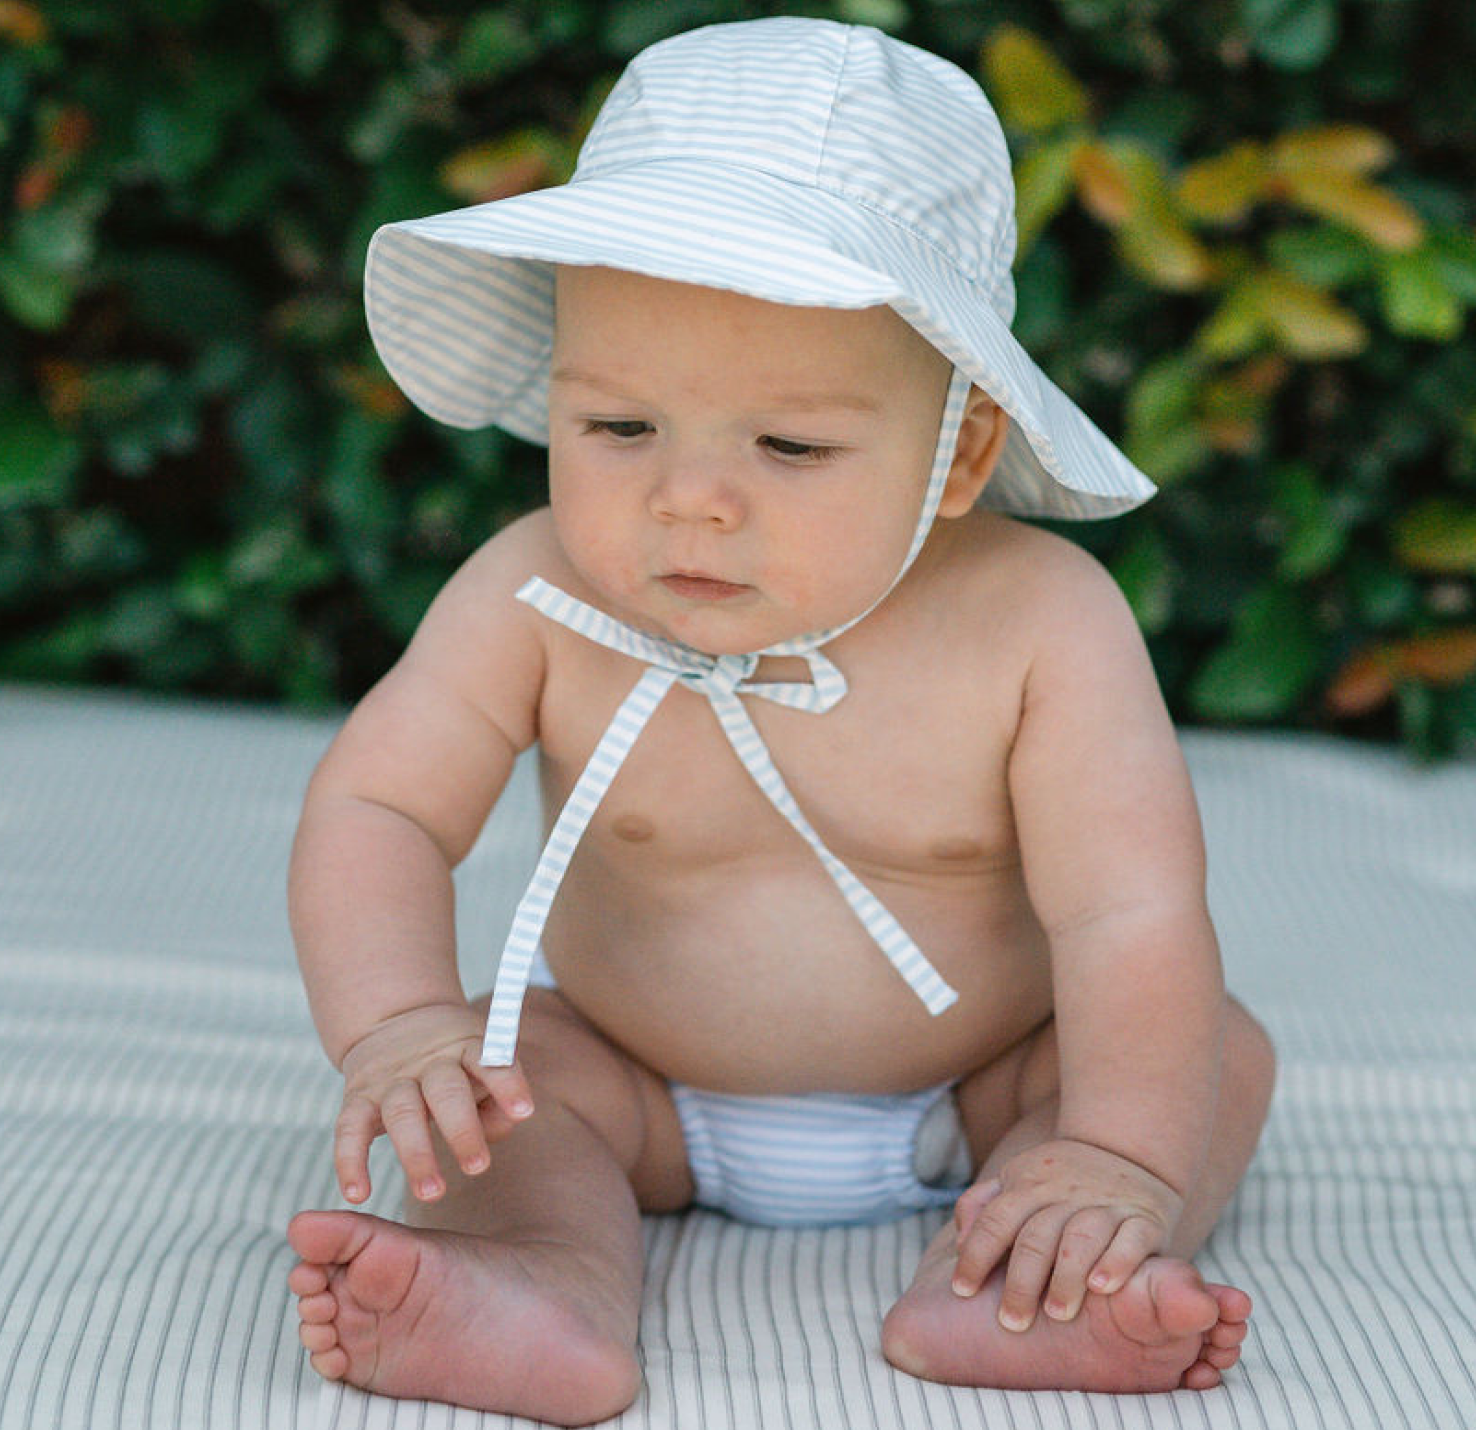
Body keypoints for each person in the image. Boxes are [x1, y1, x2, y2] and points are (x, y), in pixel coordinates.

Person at [285, 18, 1275, 1424]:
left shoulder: (1041, 621)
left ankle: (1041, 1264)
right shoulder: (534, 595)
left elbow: (1131, 911)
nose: (689, 498)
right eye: (618, 428)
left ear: (962, 451)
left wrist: (1117, 1149)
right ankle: (544, 1277)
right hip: (639, 1087)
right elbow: (378, 805)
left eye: (792, 446)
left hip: (978, 1085)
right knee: (507, 1082)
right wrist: (396, 1023)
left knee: (1212, 1055)